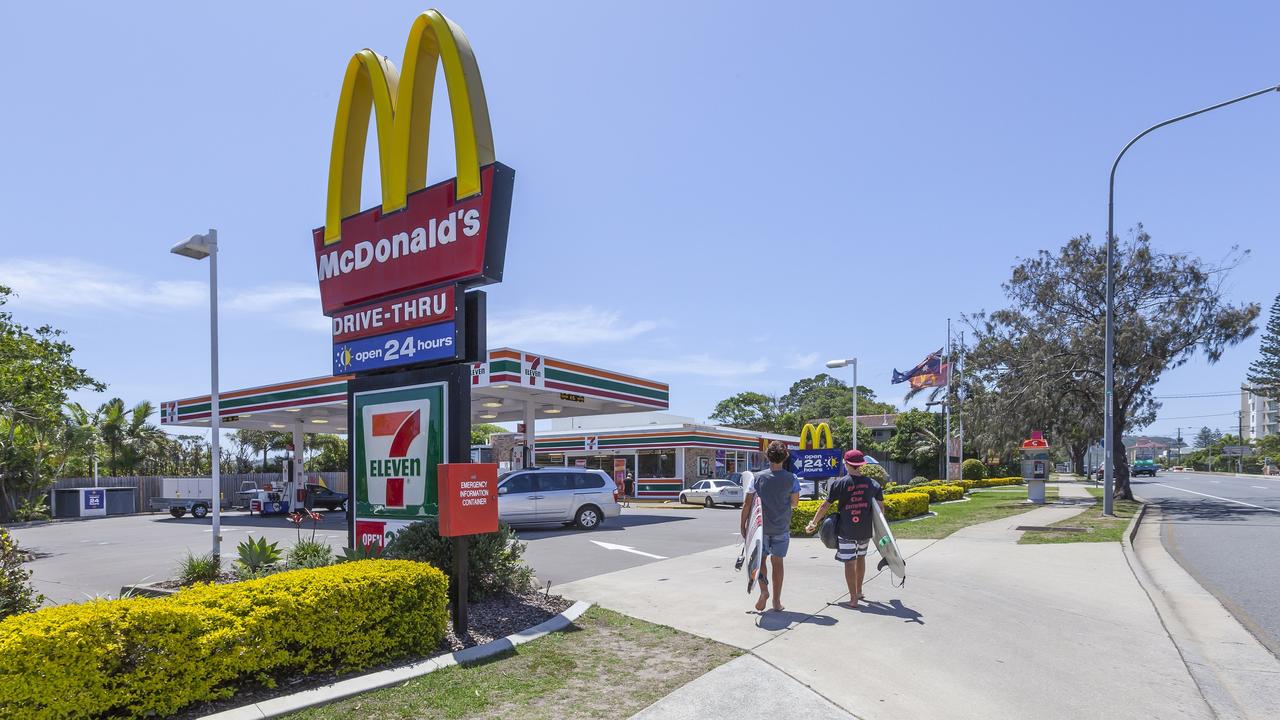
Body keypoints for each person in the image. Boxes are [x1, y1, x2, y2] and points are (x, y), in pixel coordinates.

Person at [805, 449, 885, 606]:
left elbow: (825, 506)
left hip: (846, 530)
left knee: (850, 562)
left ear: (846, 464)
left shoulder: (839, 484)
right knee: (861, 558)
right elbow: (881, 509)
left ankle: (853, 597)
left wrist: (813, 523)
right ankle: (859, 591)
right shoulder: (873, 484)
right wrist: (881, 530)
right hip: (865, 530)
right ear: (862, 465)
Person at [740, 440, 800, 612]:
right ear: (785, 457)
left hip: (760, 529)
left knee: (760, 561)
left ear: (767, 456)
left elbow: (747, 504)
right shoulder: (792, 478)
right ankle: (776, 601)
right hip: (781, 528)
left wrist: (743, 525)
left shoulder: (757, 478)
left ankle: (764, 591)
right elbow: (794, 503)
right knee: (778, 562)